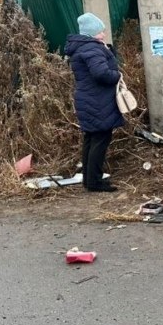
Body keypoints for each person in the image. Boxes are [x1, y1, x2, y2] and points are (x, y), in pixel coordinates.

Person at [64, 13, 124, 193]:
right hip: (98, 101)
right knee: (100, 139)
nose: (104, 34)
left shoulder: (84, 48)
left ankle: (89, 180)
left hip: (90, 99)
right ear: (92, 33)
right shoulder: (92, 48)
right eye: (100, 31)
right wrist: (118, 76)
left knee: (91, 139)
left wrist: (107, 50)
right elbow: (102, 73)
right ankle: (95, 182)